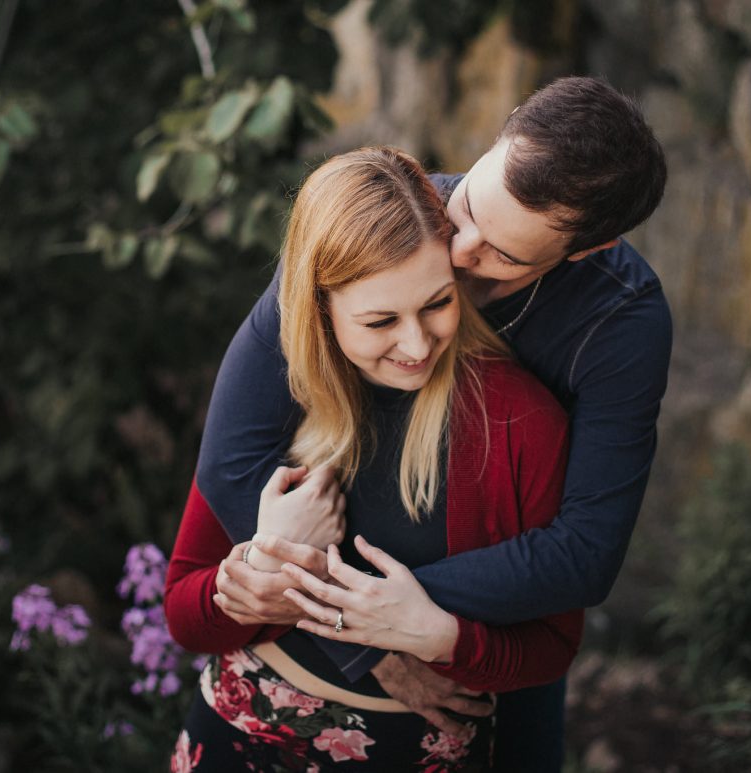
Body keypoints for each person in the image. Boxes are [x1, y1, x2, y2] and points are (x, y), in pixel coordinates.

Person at [197, 76, 671, 771]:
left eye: (504, 256)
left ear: (587, 251)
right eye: (472, 205)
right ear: (496, 141)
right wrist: (367, 635)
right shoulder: (386, 217)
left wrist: (412, 620)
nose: (461, 247)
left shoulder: (620, 322)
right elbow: (231, 460)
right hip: (330, 596)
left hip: (500, 618)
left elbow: (583, 553)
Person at [164, 146, 582, 771]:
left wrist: (439, 639)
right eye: (381, 320)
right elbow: (184, 614)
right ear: (321, 309)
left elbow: (551, 646)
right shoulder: (276, 407)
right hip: (238, 737)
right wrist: (256, 583)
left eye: (438, 303)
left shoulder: (520, 422)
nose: (416, 344)